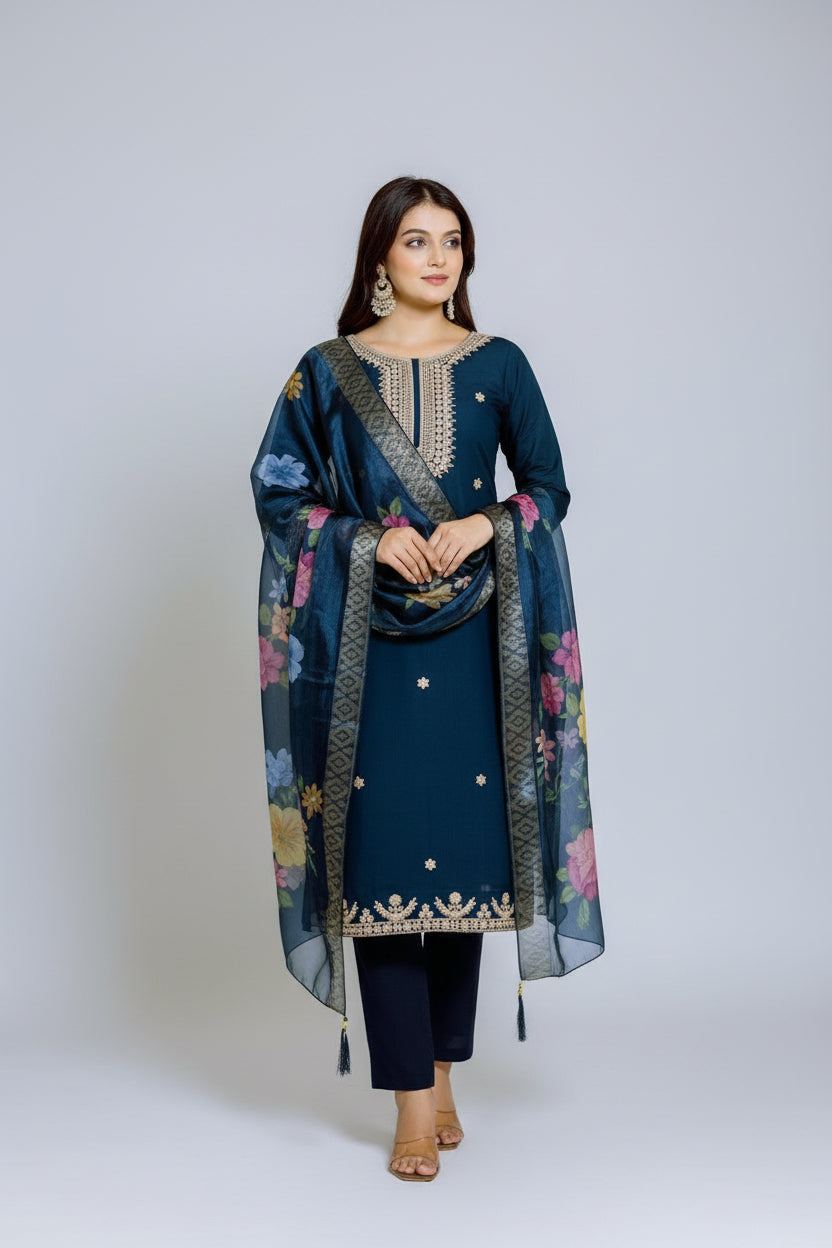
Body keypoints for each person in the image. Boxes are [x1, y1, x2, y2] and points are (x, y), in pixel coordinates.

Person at [250, 176, 605, 1181]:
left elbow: (547, 489)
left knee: (469, 867)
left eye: (452, 241)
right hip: (363, 643)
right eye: (417, 241)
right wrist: (364, 540)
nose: (438, 258)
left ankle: (443, 1070)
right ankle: (412, 1104)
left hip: (478, 639)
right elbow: (280, 496)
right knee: (381, 866)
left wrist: (481, 527)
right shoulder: (324, 374)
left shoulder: (500, 367)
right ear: (379, 258)